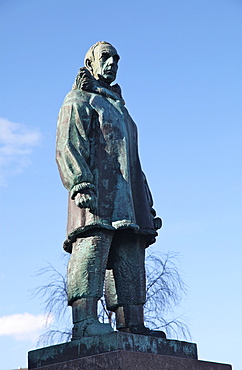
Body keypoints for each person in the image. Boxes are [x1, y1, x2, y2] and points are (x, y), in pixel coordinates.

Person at [56, 41, 165, 339]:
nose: (112, 62)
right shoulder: (79, 99)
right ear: (90, 62)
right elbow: (68, 145)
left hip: (128, 202)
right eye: (105, 56)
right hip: (97, 195)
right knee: (92, 250)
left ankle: (132, 322)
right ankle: (85, 321)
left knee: (130, 255)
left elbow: (133, 160)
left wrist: (147, 201)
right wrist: (79, 182)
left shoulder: (121, 110)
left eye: (116, 58)